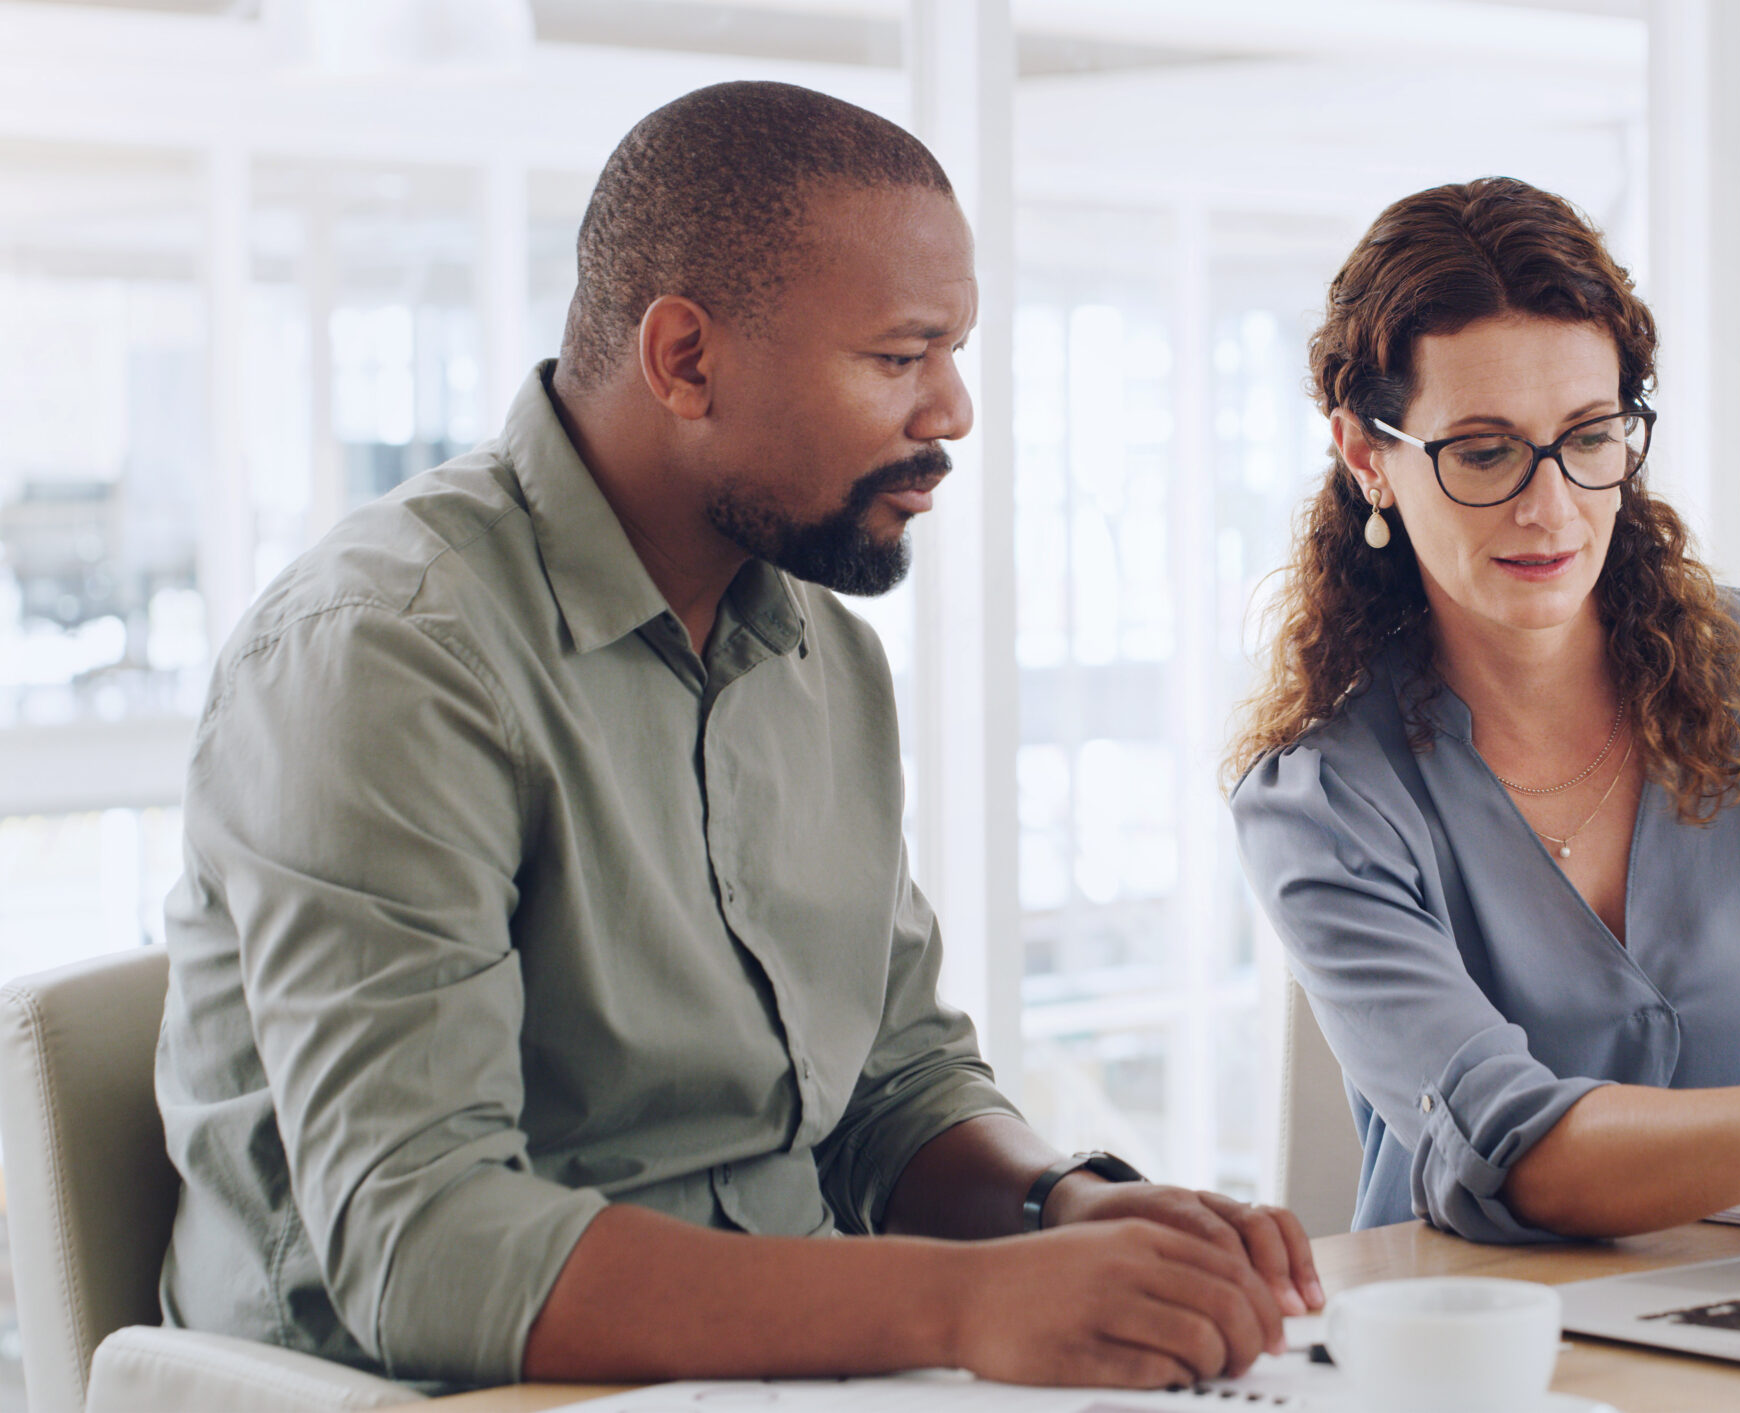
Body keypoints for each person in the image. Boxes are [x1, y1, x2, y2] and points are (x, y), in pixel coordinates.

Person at [157, 81, 1319, 1395]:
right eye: (899, 357)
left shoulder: (821, 655)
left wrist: (1059, 1208)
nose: (952, 413)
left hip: (767, 1378)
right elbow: (427, 1250)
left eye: (955, 353)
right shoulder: (387, 654)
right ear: (685, 361)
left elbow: (892, 1080)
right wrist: (965, 1302)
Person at [1226, 177, 1740, 1246]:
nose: (1548, 505)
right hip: (1479, 1351)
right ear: (1367, 455)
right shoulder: (1320, 797)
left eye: (1590, 437)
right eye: (1482, 451)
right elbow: (1512, 1154)